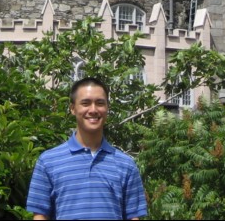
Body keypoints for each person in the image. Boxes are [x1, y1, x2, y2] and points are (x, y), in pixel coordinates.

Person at [26, 77, 147, 220]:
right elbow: (40, 215)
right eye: (85, 103)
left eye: (100, 103)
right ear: (72, 108)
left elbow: (133, 217)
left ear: (107, 108)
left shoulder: (126, 164)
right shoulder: (48, 161)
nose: (93, 110)